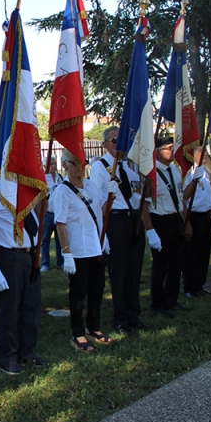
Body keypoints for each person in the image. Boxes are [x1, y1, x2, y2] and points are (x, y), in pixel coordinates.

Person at [0, 175, 48, 375]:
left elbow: (35, 213)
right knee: (9, 309)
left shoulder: (23, 184)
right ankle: (7, 357)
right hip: (9, 256)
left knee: (31, 305)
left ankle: (27, 351)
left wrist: (43, 195)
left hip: (30, 253)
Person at [89, 126, 152, 334]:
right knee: (119, 271)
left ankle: (134, 314)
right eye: (115, 141)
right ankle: (120, 318)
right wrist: (110, 196)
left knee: (134, 269)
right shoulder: (100, 167)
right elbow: (98, 203)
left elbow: (139, 194)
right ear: (105, 144)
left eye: (121, 140)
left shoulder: (131, 165)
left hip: (134, 219)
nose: (119, 145)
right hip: (116, 221)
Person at [53, 149, 117, 352]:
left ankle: (93, 327)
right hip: (78, 249)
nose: (79, 167)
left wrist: (111, 196)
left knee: (97, 289)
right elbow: (60, 224)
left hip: (96, 247)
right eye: (74, 163)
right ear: (65, 165)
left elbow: (101, 211)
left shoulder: (90, 185)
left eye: (82, 162)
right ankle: (77, 333)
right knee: (78, 293)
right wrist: (67, 253)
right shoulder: (62, 191)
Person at [141, 136, 198, 319]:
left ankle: (171, 299)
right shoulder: (151, 174)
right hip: (160, 220)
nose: (172, 151)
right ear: (156, 152)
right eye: (168, 148)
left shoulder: (173, 170)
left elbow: (180, 198)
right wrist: (150, 231)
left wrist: (186, 222)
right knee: (161, 263)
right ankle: (157, 302)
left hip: (175, 219)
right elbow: (145, 206)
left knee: (176, 261)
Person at [182, 147, 211, 298]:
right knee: (192, 252)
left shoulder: (205, 173)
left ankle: (199, 284)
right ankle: (189, 286)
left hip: (205, 215)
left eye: (207, 152)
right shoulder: (190, 174)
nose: (206, 155)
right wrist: (187, 221)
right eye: (202, 152)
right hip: (193, 216)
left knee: (204, 251)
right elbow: (185, 196)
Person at [40, 155, 64, 272]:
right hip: (47, 213)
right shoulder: (42, 179)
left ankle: (60, 261)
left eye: (54, 164)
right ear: (44, 166)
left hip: (58, 212)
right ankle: (45, 263)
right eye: (51, 164)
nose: (53, 166)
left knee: (60, 238)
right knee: (45, 239)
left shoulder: (60, 178)